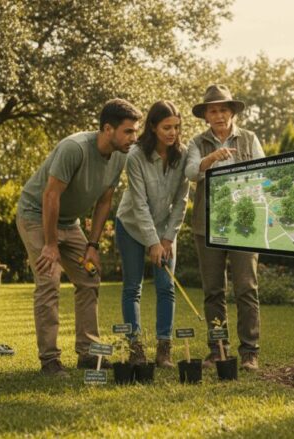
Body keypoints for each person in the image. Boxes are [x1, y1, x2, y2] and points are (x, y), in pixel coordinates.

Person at [16, 99, 142, 376]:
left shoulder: (120, 155)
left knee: (89, 277)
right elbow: (51, 195)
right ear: (108, 129)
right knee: (49, 282)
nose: (134, 138)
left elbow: (104, 202)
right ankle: (49, 359)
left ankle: (87, 353)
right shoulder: (74, 148)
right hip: (36, 214)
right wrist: (50, 245)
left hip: (69, 221)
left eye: (135, 131)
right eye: (129, 131)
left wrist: (92, 245)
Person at [184, 84, 264, 371]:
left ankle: (249, 353)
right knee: (214, 291)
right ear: (206, 116)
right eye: (213, 110)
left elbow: (262, 173)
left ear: (232, 112)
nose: (218, 115)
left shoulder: (249, 138)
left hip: (244, 225)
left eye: (223, 109)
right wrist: (210, 160)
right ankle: (218, 349)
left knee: (246, 288)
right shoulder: (197, 143)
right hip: (208, 227)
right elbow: (191, 172)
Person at [115, 100, 190, 368]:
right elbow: (139, 203)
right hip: (132, 226)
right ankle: (136, 349)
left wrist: (167, 239)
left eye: (177, 127)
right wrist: (152, 242)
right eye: (167, 127)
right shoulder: (135, 155)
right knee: (132, 288)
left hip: (165, 231)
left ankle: (164, 351)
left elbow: (182, 201)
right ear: (153, 127)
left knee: (166, 288)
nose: (172, 133)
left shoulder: (183, 155)